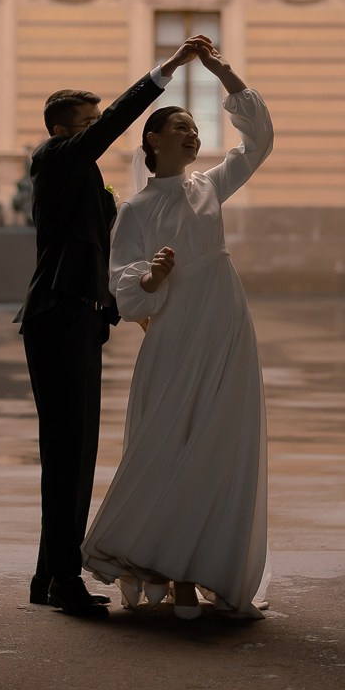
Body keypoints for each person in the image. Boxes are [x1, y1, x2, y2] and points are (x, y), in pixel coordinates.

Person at [16, 37, 210, 618]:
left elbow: (108, 256)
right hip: (59, 316)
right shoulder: (57, 159)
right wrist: (166, 71)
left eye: (95, 123)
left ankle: (48, 574)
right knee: (68, 453)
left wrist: (140, 301)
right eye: (87, 124)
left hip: (80, 318)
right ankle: (62, 582)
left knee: (73, 452)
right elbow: (118, 122)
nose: (97, 131)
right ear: (61, 130)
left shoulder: (86, 179)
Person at [82, 40, 274, 621]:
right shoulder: (137, 209)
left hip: (225, 323)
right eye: (181, 127)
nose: (193, 136)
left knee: (221, 441)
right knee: (166, 442)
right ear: (153, 142)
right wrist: (152, 275)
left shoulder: (209, 186)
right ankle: (156, 562)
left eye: (195, 128)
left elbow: (258, 142)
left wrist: (222, 72)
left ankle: (203, 567)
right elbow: (122, 285)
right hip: (173, 332)